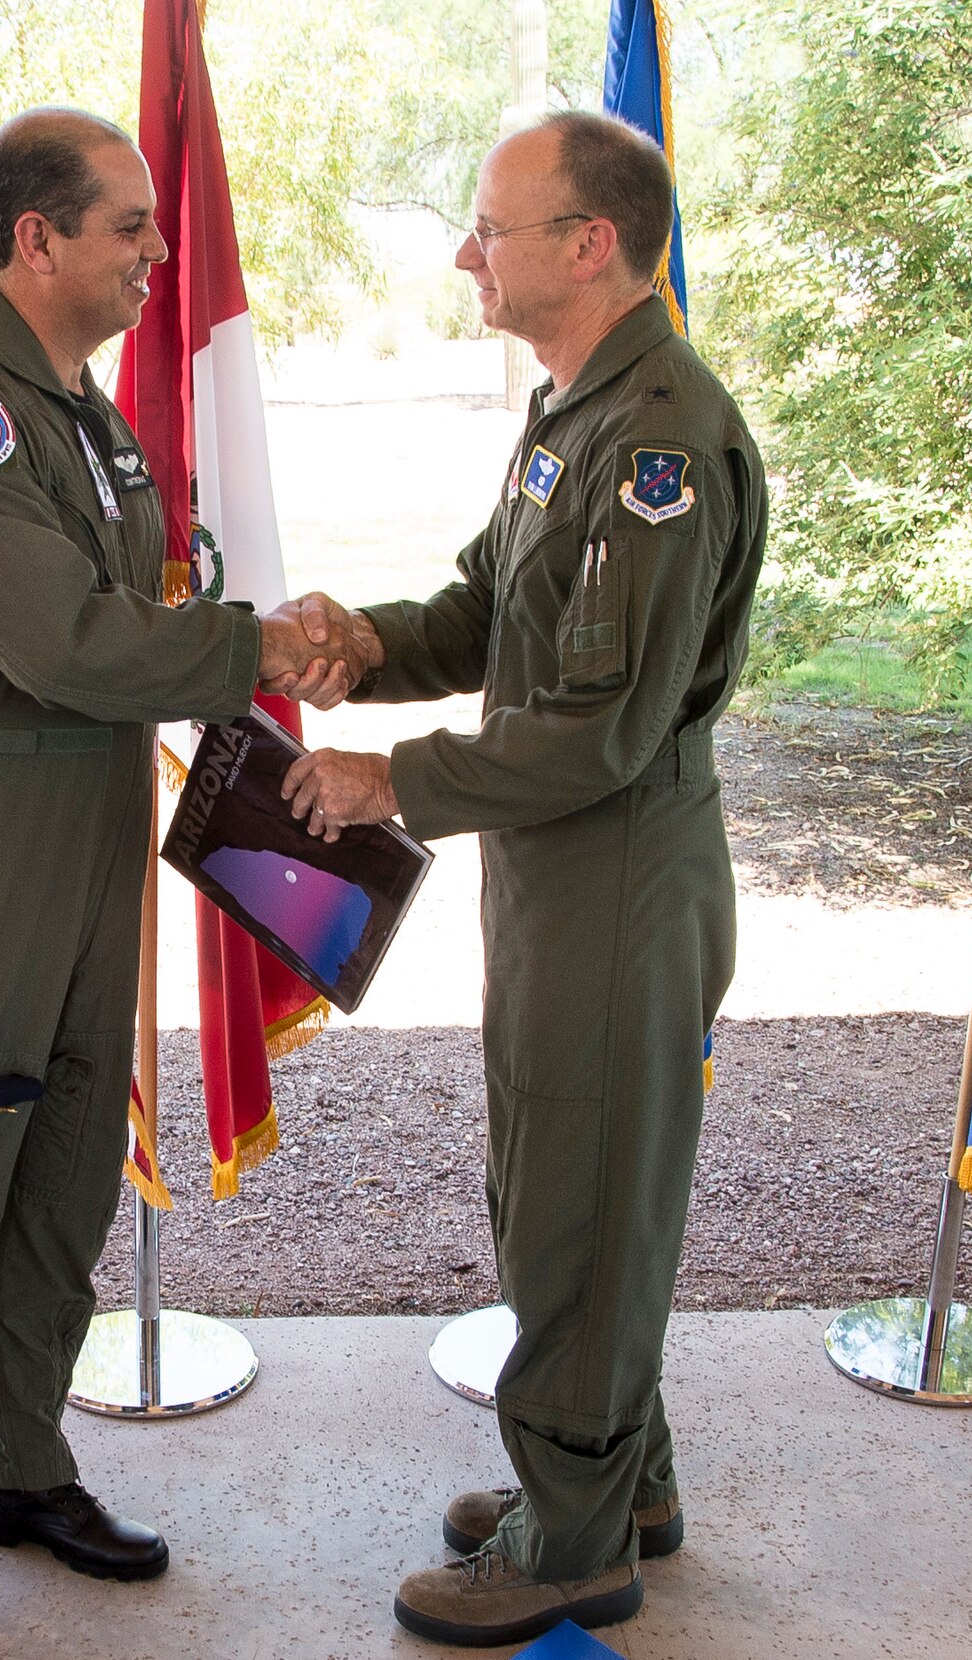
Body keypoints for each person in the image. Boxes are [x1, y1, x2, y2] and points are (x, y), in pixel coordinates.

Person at [0, 107, 360, 1660]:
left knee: (57, 1180)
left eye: (158, 230)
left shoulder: (85, 419)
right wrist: (259, 645)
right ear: (35, 238)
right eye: (130, 229)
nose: (157, 258)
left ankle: (20, 1471)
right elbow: (68, 643)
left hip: (88, 838)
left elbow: (129, 614)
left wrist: (240, 655)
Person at [275, 112, 768, 1647]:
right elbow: (499, 610)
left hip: (617, 862)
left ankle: (573, 1543)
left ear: (590, 243)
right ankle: (625, 1481)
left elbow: (604, 733)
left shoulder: (662, 441)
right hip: (562, 871)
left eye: (492, 227)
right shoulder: (575, 409)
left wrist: (393, 778)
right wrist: (368, 649)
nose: (467, 254)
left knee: (580, 1202)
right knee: (571, 1187)